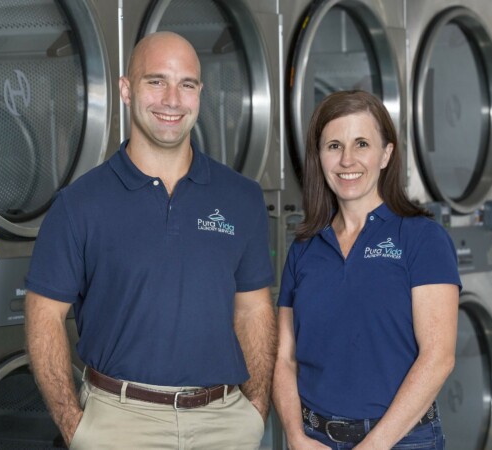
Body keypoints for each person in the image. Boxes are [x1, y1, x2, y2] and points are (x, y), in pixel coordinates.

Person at [24, 31, 277, 449]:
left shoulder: (241, 197)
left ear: (200, 93)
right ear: (126, 90)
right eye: (156, 81)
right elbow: (44, 316)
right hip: (120, 424)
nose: (172, 99)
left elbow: (254, 310)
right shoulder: (79, 204)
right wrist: (74, 424)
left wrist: (255, 411)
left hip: (224, 425)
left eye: (187, 85)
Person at [272, 90, 461, 449]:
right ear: (319, 157)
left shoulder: (422, 238)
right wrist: (295, 436)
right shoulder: (304, 247)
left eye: (361, 144)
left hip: (403, 441)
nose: (347, 160)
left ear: (386, 154)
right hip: (315, 439)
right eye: (333, 146)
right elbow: (284, 357)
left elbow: (439, 357)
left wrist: (373, 446)